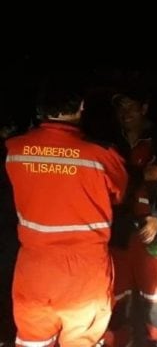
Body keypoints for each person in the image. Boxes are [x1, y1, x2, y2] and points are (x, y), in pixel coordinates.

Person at [4, 83, 128, 346]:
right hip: (85, 272)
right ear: (81, 107)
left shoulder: (13, 148)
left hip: (34, 268)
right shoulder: (103, 154)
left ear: (40, 110)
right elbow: (119, 195)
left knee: (32, 342)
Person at [108, 91, 157, 347]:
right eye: (121, 109)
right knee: (114, 302)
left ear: (144, 107)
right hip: (118, 234)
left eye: (130, 107)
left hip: (149, 235)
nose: (125, 114)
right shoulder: (111, 143)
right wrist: (141, 174)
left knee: (156, 303)